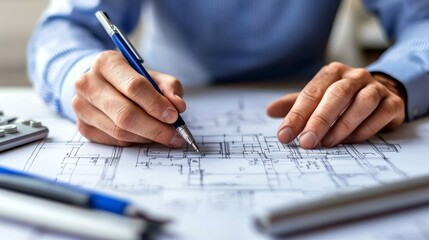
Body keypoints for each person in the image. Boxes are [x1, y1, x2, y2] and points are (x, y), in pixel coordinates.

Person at [28, 1, 429, 149]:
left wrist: (393, 78)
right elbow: (60, 28)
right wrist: (81, 77)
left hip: (312, 103)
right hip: (160, 99)